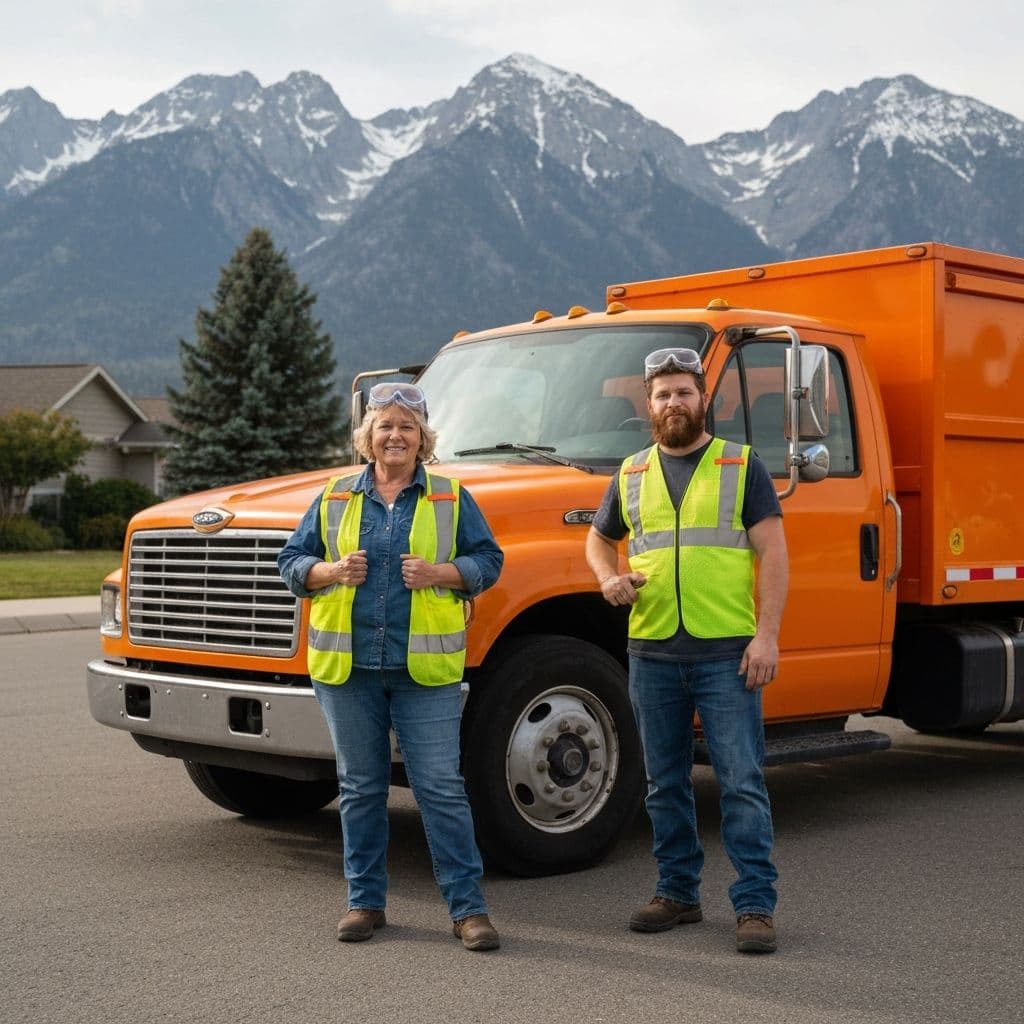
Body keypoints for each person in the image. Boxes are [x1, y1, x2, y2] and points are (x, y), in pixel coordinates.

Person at [278, 381, 504, 952]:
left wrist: (441, 574)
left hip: (424, 672)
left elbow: (489, 561)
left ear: (423, 438)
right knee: (359, 788)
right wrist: (327, 573)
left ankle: (468, 910)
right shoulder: (333, 497)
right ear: (367, 438)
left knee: (440, 789)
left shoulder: (450, 497)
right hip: (348, 669)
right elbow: (290, 561)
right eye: (385, 426)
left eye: (407, 426)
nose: (395, 435)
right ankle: (365, 903)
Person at [585, 347, 788, 954]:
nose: (674, 403)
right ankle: (677, 892)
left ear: (706, 399)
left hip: (727, 651)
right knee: (663, 783)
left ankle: (754, 905)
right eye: (663, 394)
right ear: (647, 405)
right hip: (652, 651)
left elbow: (773, 554)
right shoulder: (631, 473)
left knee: (741, 781)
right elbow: (598, 542)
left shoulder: (739, 465)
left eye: (684, 392)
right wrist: (607, 578)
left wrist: (767, 635)